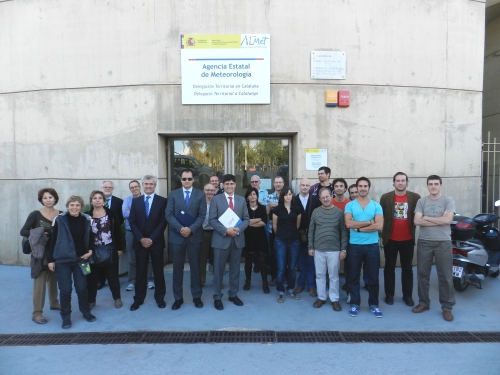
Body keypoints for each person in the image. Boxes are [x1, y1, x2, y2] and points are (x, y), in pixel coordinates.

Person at [47, 196, 96, 329]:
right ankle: (66, 318)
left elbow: (90, 237)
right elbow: (53, 240)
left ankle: (86, 312)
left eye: (77, 205)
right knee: (65, 290)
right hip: (63, 261)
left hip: (81, 259)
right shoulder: (60, 219)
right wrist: (51, 260)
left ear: (81, 206)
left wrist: (90, 251)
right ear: (67, 206)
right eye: (72, 205)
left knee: (82, 288)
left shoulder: (86, 220)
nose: (74, 208)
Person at [413, 175, 456, 322]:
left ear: (441, 185)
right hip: (424, 242)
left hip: (443, 242)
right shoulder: (421, 201)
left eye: (436, 184)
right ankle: (424, 303)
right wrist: (439, 220)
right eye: (430, 184)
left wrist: (427, 218)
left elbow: (448, 220)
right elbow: (416, 221)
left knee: (445, 276)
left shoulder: (448, 201)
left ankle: (447, 307)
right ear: (427, 186)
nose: (433, 186)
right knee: (422, 274)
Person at [165, 168, 206, 310]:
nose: (187, 181)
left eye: (189, 179)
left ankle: (197, 296)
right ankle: (178, 298)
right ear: (181, 180)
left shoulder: (200, 195)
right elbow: (168, 214)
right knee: (177, 268)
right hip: (177, 236)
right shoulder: (173, 194)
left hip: (194, 236)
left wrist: (191, 229)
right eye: (184, 179)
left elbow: (202, 215)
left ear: (193, 179)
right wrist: (181, 228)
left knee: (195, 267)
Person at [20, 188, 61, 324]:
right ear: (41, 200)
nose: (48, 200)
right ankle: (37, 313)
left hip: (55, 252)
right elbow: (24, 231)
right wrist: (40, 233)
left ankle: (54, 303)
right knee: (40, 283)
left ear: (55, 198)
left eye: (50, 197)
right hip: (40, 253)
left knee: (54, 279)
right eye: (45, 198)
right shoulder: (35, 214)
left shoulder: (61, 214)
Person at [209, 174, 250, 310]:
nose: (229, 186)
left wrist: (237, 229)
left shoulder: (241, 200)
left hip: (237, 239)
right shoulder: (216, 199)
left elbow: (246, 219)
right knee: (218, 270)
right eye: (226, 184)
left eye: (231, 184)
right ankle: (217, 297)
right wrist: (226, 230)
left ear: (235, 185)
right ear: (223, 185)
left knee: (235, 270)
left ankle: (233, 294)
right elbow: (212, 220)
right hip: (221, 240)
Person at [344, 177, 384, 318]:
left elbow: (379, 226)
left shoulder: (376, 206)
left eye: (365, 186)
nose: (362, 188)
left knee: (373, 277)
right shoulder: (350, 205)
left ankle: (374, 305)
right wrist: (368, 222)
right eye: (360, 186)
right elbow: (348, 224)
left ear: (369, 188)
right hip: (354, 246)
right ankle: (354, 304)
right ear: (357, 187)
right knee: (353, 277)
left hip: (372, 246)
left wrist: (359, 228)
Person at [380, 172, 421, 307]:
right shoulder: (385, 198)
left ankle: (407, 296)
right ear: (393, 183)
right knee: (389, 268)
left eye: (403, 180)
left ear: (407, 182)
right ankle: (389, 295)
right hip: (390, 239)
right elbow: (382, 217)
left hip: (408, 239)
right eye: (397, 180)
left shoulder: (415, 198)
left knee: (407, 269)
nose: (400, 183)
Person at [129, 175, 168, 311]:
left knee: (158, 272)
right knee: (140, 272)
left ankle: (160, 298)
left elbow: (163, 221)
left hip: (156, 242)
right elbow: (132, 222)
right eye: (146, 184)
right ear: (142, 185)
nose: (148, 186)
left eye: (151, 184)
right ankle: (138, 299)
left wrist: (151, 238)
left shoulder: (162, 201)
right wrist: (141, 239)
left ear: (155, 185)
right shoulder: (136, 201)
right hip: (140, 243)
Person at [308, 187, 348, 311]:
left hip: (334, 250)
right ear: (319, 199)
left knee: (334, 276)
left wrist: (343, 249)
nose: (325, 199)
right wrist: (311, 246)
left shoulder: (339, 213)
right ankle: (321, 297)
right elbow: (311, 230)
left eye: (327, 196)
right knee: (319, 275)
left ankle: (334, 299)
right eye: (323, 197)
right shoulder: (315, 212)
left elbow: (343, 232)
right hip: (318, 249)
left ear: (332, 196)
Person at [85, 190, 124, 309]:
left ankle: (117, 298)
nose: (97, 200)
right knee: (92, 278)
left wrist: (120, 248)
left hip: (110, 249)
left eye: (100, 198)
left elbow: (118, 231)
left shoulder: (111, 214)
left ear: (104, 200)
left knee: (113, 276)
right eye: (95, 198)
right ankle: (92, 300)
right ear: (91, 201)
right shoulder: (86, 216)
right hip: (93, 251)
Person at [123, 180, 154, 292]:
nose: (134, 189)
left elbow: (148, 215)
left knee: (149, 258)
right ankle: (132, 281)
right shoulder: (127, 200)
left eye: (136, 186)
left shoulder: (146, 199)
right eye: (132, 187)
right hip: (131, 233)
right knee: (132, 259)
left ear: (140, 187)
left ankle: (149, 279)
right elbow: (125, 214)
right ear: (130, 189)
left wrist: (132, 211)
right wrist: (135, 213)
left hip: (145, 233)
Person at [272, 186, 302, 303]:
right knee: (280, 268)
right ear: (282, 196)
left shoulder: (296, 209)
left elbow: (297, 225)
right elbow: (275, 226)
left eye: (290, 194)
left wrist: (290, 234)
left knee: (292, 268)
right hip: (280, 241)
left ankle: (290, 289)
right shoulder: (277, 210)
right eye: (286, 194)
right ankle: (280, 291)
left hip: (294, 241)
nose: (288, 196)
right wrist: (282, 235)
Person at [293, 178, 320, 297]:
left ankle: (311, 285)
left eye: (307, 185)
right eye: (303, 185)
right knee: (300, 261)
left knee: (311, 261)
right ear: (299, 186)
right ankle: (300, 284)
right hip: (297, 235)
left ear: (310, 187)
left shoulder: (315, 200)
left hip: (312, 235)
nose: (305, 187)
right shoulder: (293, 200)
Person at [97, 180, 124, 290]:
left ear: (112, 189)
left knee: (113, 261)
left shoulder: (119, 202)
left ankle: (114, 281)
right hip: (98, 238)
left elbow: (121, 218)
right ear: (101, 188)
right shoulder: (96, 201)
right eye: (105, 187)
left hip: (113, 236)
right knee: (100, 260)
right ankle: (101, 280)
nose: (107, 189)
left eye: (109, 187)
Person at [242, 187, 269, 293]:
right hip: (248, 237)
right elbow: (243, 222)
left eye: (254, 194)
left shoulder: (262, 208)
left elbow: (263, 222)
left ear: (257, 196)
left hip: (260, 237)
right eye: (250, 194)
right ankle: (247, 281)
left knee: (262, 262)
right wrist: (256, 220)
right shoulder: (244, 208)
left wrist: (249, 223)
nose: (252, 196)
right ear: (247, 197)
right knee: (248, 262)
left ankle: (264, 282)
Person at [265, 175, 285, 286]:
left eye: (280, 182)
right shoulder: (269, 196)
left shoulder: (288, 196)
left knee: (285, 254)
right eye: (276, 182)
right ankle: (273, 277)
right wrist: (269, 207)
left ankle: (284, 276)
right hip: (272, 229)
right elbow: (266, 213)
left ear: (283, 183)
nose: (278, 184)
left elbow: (289, 209)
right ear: (273, 184)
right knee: (273, 254)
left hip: (285, 230)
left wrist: (276, 206)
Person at [249, 174, 269, 273]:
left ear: (259, 182)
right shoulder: (249, 193)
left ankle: (261, 264)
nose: (254, 183)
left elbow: (265, 207)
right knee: (252, 244)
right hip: (252, 224)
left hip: (261, 223)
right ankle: (255, 263)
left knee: (262, 244)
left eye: (256, 182)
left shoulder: (265, 192)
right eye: (252, 182)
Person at [200, 183, 216, 287]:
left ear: (215, 191)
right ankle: (201, 281)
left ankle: (218, 281)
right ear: (204, 191)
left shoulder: (218, 203)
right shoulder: (200, 203)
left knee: (217, 259)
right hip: (203, 233)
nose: (209, 192)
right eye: (207, 190)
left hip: (216, 233)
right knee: (202, 259)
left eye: (211, 190)